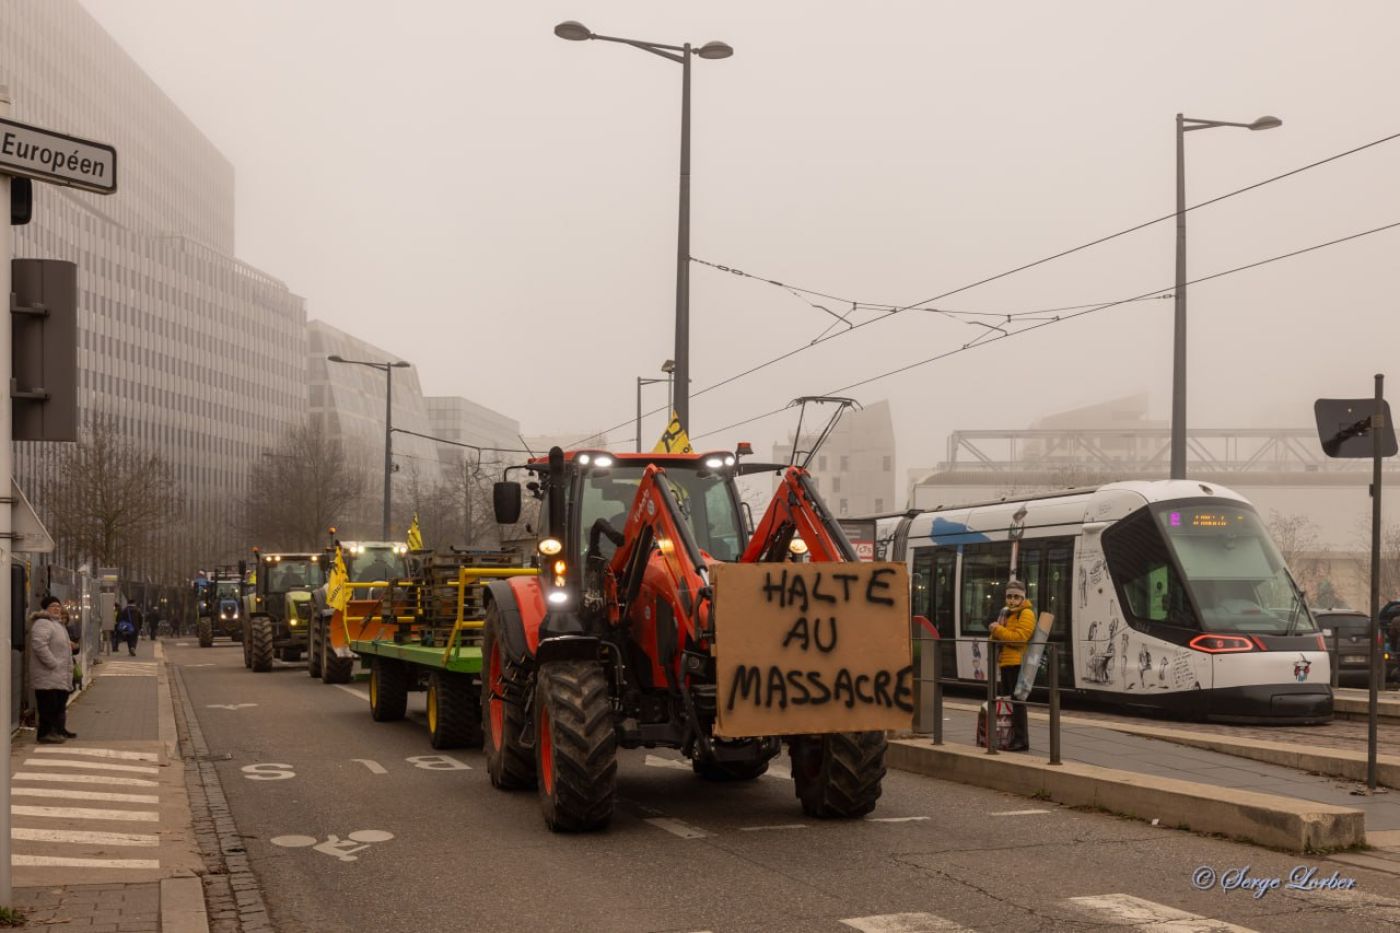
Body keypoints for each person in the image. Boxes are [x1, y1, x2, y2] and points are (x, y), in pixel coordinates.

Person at [990, 579, 1035, 751]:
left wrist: (997, 630)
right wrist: (996, 632)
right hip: (1006, 662)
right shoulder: (1006, 613)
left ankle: (1021, 740)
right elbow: (997, 638)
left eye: (1016, 597)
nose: (1012, 600)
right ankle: (1009, 736)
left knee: (1018, 703)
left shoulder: (1026, 614)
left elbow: (1020, 638)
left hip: (1018, 663)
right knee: (1009, 703)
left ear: (1023, 597)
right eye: (1009, 596)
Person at [29, 596, 76, 743]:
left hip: (58, 674)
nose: (57, 608)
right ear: (45, 608)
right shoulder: (43, 623)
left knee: (58, 704)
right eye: (53, 606)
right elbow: (39, 645)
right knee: (48, 706)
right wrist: (52, 663)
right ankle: (45, 734)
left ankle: (58, 730)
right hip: (48, 674)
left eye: (58, 606)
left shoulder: (57, 624)